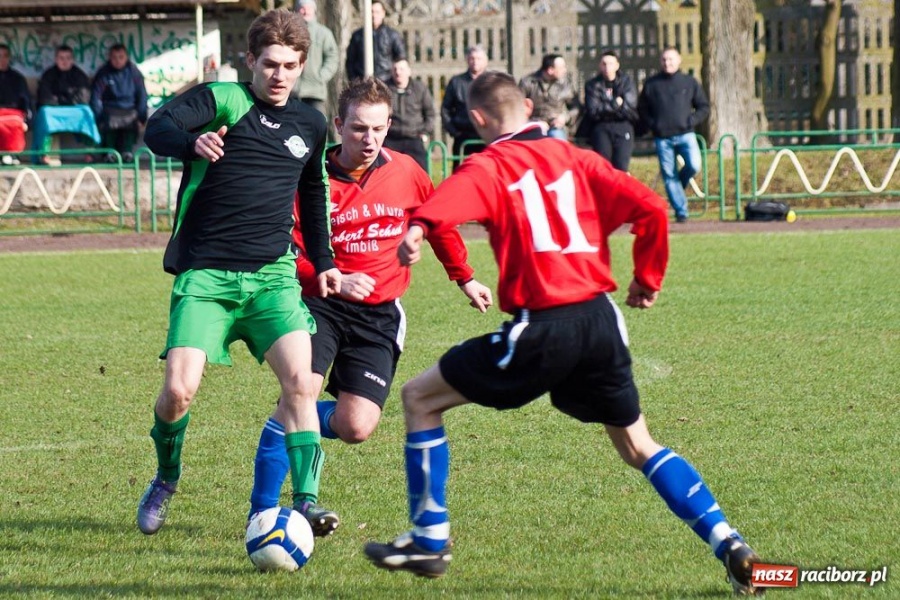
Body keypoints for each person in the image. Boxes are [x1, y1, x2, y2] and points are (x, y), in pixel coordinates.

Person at [362, 71, 764, 596]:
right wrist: (646, 280)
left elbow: (447, 202)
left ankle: (429, 539)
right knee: (638, 444)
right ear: (529, 107)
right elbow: (650, 207)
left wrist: (417, 228)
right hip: (601, 321)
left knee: (419, 397)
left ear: (477, 119)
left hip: (544, 324)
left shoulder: (489, 164)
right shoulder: (577, 157)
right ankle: (729, 542)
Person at [248, 77, 492, 536]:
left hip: (379, 314)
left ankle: (292, 422)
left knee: (355, 426)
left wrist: (465, 276)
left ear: (389, 125)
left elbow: (436, 223)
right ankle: (263, 512)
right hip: (319, 303)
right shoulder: (309, 178)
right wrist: (330, 277)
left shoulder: (407, 171)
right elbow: (283, 249)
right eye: (359, 128)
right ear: (338, 125)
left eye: (378, 129)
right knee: (301, 389)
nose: (369, 139)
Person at [134, 9, 342, 538]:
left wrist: (325, 262)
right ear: (251, 60)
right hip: (207, 276)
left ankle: (307, 500)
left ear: (302, 65)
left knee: (301, 382)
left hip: (273, 278)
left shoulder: (311, 124)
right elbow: (157, 127)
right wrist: (193, 143)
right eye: (270, 64)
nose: (279, 75)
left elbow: (314, 194)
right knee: (178, 392)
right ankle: (166, 477)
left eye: (290, 66)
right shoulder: (224, 99)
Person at [638, 46, 709, 223]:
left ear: (679, 60)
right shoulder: (652, 84)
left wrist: (691, 121)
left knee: (694, 165)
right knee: (669, 175)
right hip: (663, 137)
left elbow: (703, 107)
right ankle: (681, 211)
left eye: (670, 59)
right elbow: (642, 109)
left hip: (686, 134)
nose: (667, 63)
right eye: (664, 59)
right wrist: (653, 125)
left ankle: (678, 189)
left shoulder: (689, 82)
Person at [35, 45, 95, 164]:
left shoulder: (79, 75)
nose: (64, 61)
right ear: (56, 59)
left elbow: (84, 95)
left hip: (74, 109)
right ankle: (44, 154)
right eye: (61, 58)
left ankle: (90, 153)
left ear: (72, 60)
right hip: (54, 110)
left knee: (87, 113)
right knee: (45, 114)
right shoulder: (48, 75)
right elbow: (45, 95)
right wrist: (59, 102)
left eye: (68, 58)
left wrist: (68, 102)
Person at [90, 43, 149, 162]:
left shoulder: (134, 73)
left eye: (121, 57)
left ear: (126, 57)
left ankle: (127, 152)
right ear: (110, 58)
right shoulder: (103, 73)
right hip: (110, 108)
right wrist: (97, 115)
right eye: (114, 57)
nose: (118, 61)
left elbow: (142, 95)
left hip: (129, 108)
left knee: (132, 119)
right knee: (108, 120)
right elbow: (96, 96)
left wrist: (142, 117)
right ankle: (110, 152)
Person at [582, 50, 639, 172]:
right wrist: (615, 104)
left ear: (617, 65)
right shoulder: (592, 85)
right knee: (604, 167)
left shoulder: (627, 83)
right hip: (601, 127)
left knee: (621, 167)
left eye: (611, 63)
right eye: (604, 64)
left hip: (623, 125)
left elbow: (629, 107)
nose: (607, 67)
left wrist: (605, 107)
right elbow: (593, 111)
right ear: (600, 65)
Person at [440, 45, 487, 170]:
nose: (475, 61)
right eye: (472, 58)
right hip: (462, 137)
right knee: (461, 172)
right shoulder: (456, 82)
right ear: (467, 60)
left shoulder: (492, 82)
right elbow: (445, 109)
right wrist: (454, 132)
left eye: (479, 58)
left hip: (486, 136)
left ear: (485, 61)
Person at [384, 59, 435, 171]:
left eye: (401, 69)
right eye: (395, 69)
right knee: (388, 173)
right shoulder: (384, 89)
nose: (398, 72)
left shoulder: (420, 88)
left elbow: (430, 114)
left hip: (414, 138)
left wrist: (424, 132)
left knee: (420, 172)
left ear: (409, 71)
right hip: (391, 139)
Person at [292, 0, 338, 117]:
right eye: (302, 8)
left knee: (317, 123)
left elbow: (332, 57)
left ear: (314, 10)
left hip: (315, 92)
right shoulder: (291, 32)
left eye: (309, 8)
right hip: (292, 90)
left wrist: (321, 76)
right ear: (297, 10)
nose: (306, 11)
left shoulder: (324, 33)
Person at [518, 53, 580, 140]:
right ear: (550, 70)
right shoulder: (528, 82)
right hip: (533, 125)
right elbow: (518, 107)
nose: (565, 70)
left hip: (555, 126)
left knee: (557, 139)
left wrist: (564, 118)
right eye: (562, 67)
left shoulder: (565, 85)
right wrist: (533, 122)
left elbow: (576, 108)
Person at [345, 0, 406, 83]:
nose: (374, 15)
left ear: (383, 13)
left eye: (377, 12)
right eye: (371, 12)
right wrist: (355, 81)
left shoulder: (392, 35)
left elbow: (401, 59)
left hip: (386, 82)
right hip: (363, 83)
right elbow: (350, 62)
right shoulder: (357, 36)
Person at [0, 43, 32, 163]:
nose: (2, 59)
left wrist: (27, 120)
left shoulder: (18, 78)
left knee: (15, 122)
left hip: (14, 113)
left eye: (5, 56)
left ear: (9, 58)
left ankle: (13, 155)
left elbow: (25, 101)